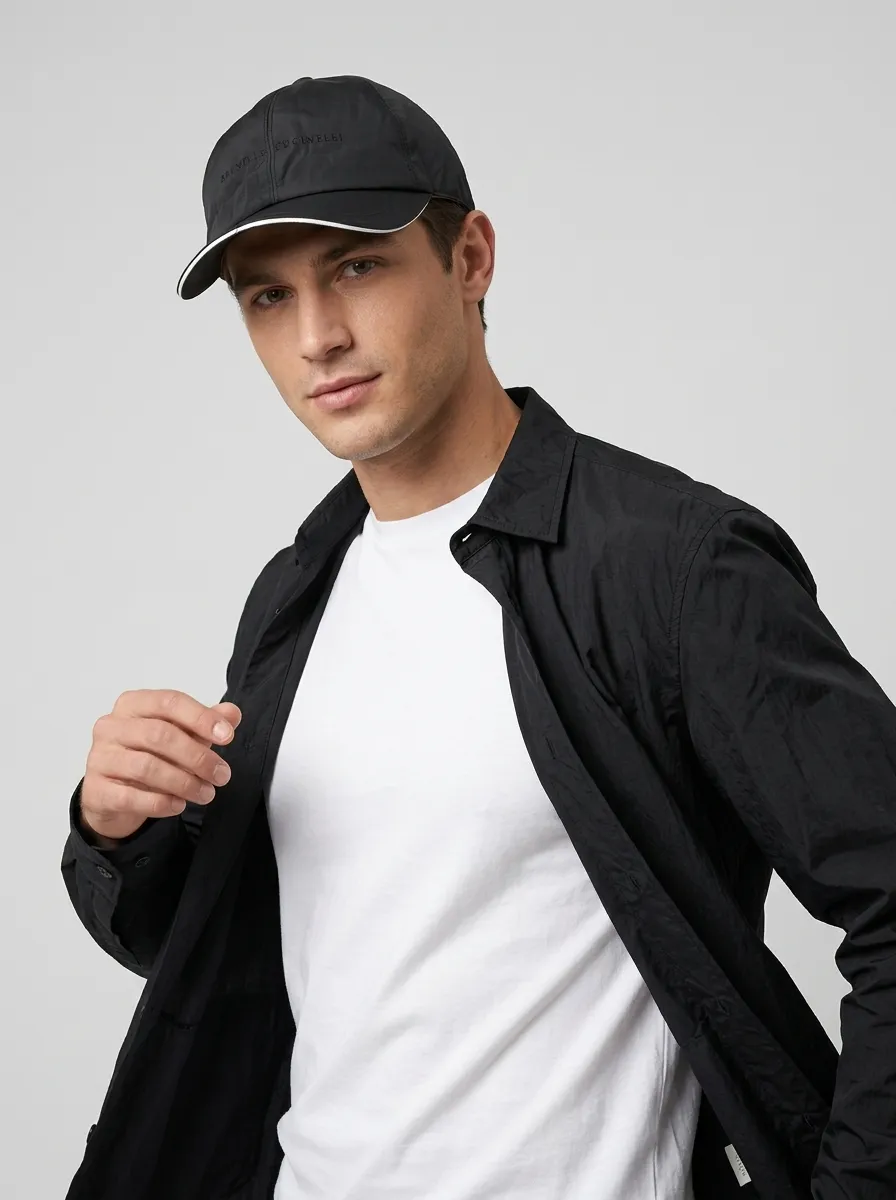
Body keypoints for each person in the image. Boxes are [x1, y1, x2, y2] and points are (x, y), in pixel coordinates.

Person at [61, 75, 896, 1200]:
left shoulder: (669, 565)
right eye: (268, 297)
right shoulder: (295, 596)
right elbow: (226, 961)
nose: (317, 337)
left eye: (356, 268)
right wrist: (115, 829)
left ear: (469, 259)